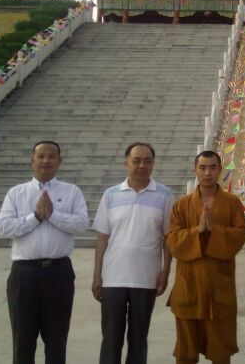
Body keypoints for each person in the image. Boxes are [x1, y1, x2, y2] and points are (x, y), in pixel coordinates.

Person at [0, 140, 89, 364]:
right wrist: (36, 217)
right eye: (41, 156)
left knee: (57, 340)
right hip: (24, 274)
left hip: (58, 273)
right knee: (23, 340)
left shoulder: (71, 192)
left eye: (51, 156)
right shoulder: (16, 193)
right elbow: (4, 228)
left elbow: (81, 225)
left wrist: (53, 215)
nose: (46, 160)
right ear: (32, 160)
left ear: (59, 161)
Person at [92, 142, 174, 364]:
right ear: (125, 163)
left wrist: (165, 271)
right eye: (136, 160)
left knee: (138, 338)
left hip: (146, 278)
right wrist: (97, 275)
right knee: (111, 339)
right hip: (113, 278)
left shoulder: (165, 195)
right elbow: (102, 238)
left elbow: (169, 238)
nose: (142, 165)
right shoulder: (110, 195)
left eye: (147, 161)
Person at [166, 150, 245, 364]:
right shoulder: (182, 205)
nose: (207, 173)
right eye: (202, 167)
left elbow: (241, 234)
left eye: (212, 167)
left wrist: (214, 230)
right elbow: (172, 240)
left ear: (220, 170)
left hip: (218, 284)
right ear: (195, 170)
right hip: (188, 284)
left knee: (221, 351)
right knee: (186, 351)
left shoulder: (232, 203)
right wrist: (198, 231)